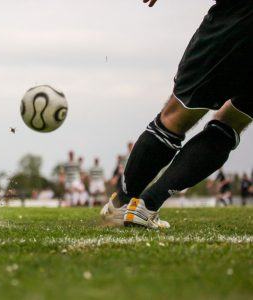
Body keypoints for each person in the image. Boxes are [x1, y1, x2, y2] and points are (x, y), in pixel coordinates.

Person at [101, 0, 252, 228]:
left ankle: (124, 202)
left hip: (238, 15)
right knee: (231, 123)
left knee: (176, 115)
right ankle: (146, 205)